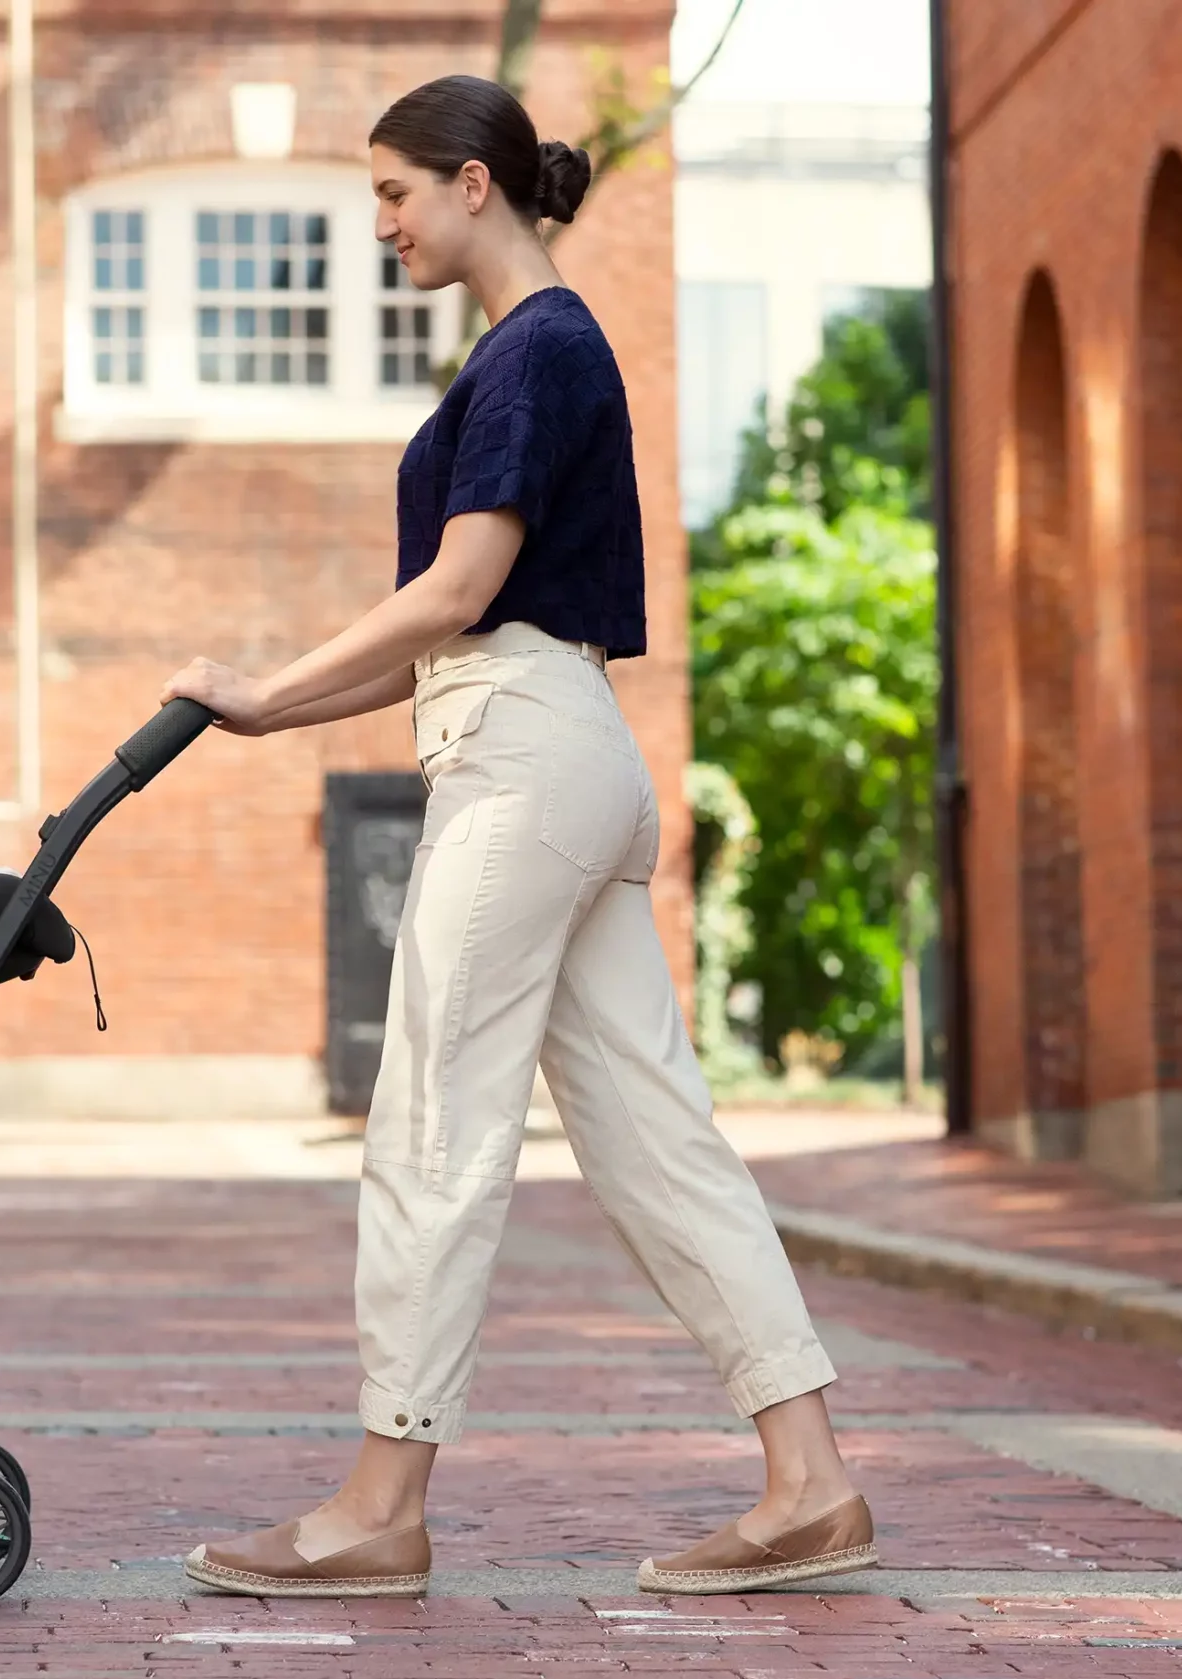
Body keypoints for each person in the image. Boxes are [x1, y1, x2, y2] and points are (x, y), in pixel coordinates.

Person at [159, 73, 873, 1600]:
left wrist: (267, 692)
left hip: (524, 758)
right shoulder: (531, 351)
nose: (382, 226)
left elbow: (456, 589)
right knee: (654, 1134)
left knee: (432, 1111)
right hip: (561, 751)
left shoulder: (537, 349)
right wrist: (291, 708)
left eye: (395, 194)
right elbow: (454, 615)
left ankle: (378, 1502)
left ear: (475, 184)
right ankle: (809, 1479)